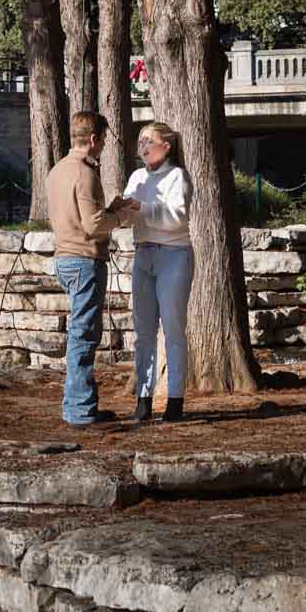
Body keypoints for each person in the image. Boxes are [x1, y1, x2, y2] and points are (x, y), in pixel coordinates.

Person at [44, 110, 139, 426]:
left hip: (64, 257)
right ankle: (80, 409)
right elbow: (92, 224)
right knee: (83, 336)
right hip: (84, 259)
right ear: (95, 138)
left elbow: (74, 215)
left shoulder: (57, 170)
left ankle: (80, 404)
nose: (104, 147)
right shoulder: (84, 172)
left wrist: (111, 208)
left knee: (80, 333)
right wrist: (123, 217)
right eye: (104, 140)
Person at [124, 120, 192, 424]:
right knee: (143, 332)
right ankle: (143, 397)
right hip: (143, 255)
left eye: (148, 141)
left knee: (174, 329)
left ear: (166, 146)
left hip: (173, 255)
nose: (143, 147)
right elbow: (130, 216)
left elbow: (177, 218)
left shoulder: (178, 176)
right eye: (140, 142)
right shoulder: (137, 176)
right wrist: (122, 210)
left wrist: (143, 208)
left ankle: (175, 399)